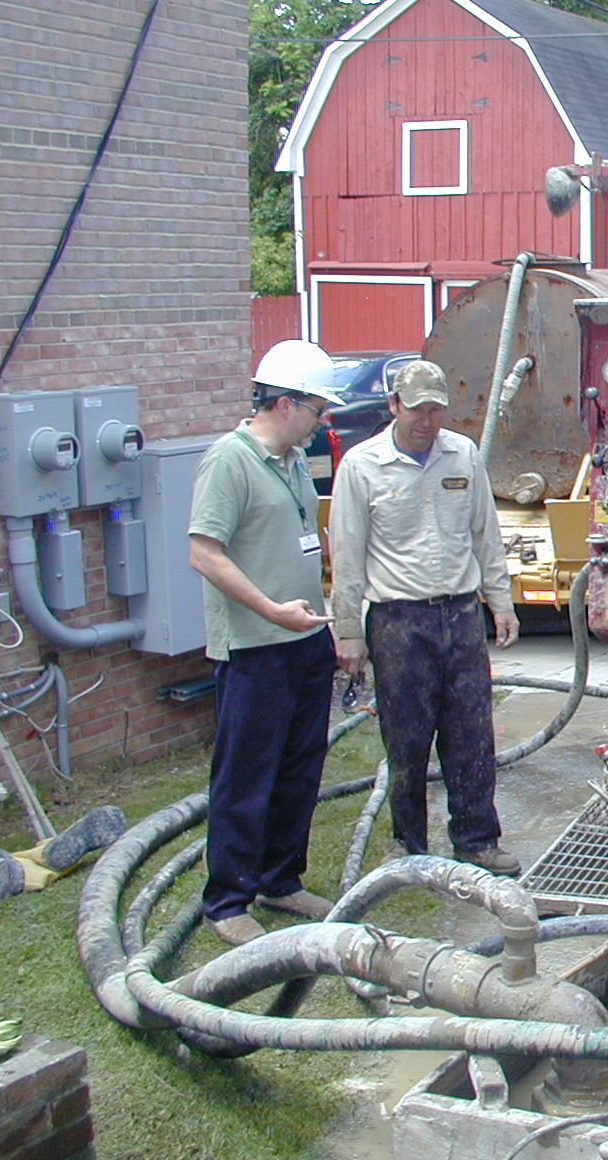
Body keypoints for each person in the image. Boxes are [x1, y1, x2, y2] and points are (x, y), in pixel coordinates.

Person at [328, 359, 522, 874]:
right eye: (417, 410)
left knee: (472, 735)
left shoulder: (463, 457)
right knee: (407, 740)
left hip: (460, 615)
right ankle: (409, 846)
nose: (428, 420)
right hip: (397, 621)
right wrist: (348, 632)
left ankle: (477, 839)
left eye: (436, 410)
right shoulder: (361, 467)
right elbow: (346, 554)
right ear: (394, 406)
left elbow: (487, 534)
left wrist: (500, 601)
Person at [189, 339, 341, 945]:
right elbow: (204, 553)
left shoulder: (296, 461)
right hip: (255, 647)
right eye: (315, 408)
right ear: (282, 403)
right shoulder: (228, 461)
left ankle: (282, 880)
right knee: (245, 775)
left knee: (300, 768)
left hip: (305, 640)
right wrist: (271, 610)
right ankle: (228, 900)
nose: (322, 418)